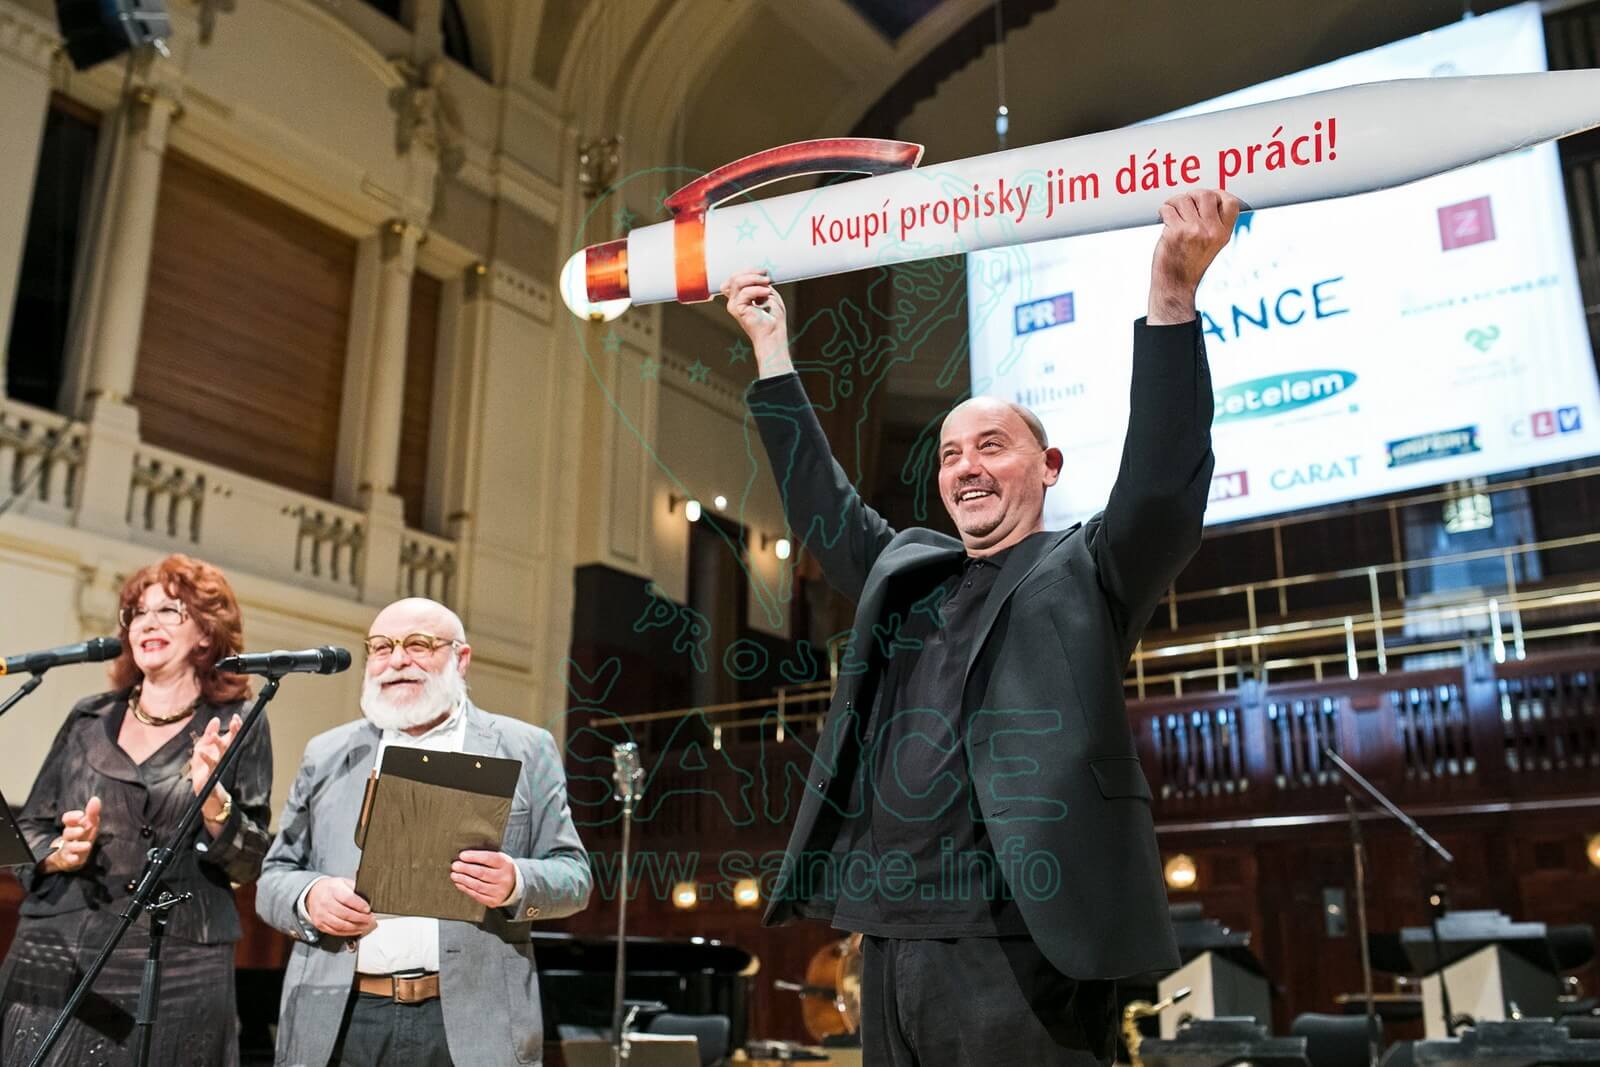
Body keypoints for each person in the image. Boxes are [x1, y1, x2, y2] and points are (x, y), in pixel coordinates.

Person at [723, 189, 1240, 1066]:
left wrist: (1171, 296)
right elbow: (819, 500)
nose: (966, 465)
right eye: (951, 454)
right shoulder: (906, 571)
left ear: (1049, 466)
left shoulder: (1089, 567)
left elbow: (1161, 482)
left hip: (1022, 943)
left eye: (992, 445)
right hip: (888, 938)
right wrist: (772, 347)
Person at [256, 596, 591, 1067]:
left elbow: (574, 876)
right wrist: (309, 897)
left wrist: (515, 881)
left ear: (461, 658)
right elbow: (273, 877)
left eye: (418, 644)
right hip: (342, 1018)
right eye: (381, 646)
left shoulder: (524, 747)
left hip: (473, 1024)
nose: (397, 660)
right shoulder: (327, 753)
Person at [0, 554, 273, 1066]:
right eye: (138, 613)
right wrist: (59, 852)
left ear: (205, 633)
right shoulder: (89, 718)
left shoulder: (238, 722)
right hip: (64, 946)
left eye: (169, 610)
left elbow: (250, 859)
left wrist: (214, 802)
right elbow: (30, 827)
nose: (147, 622)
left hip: (178, 961)